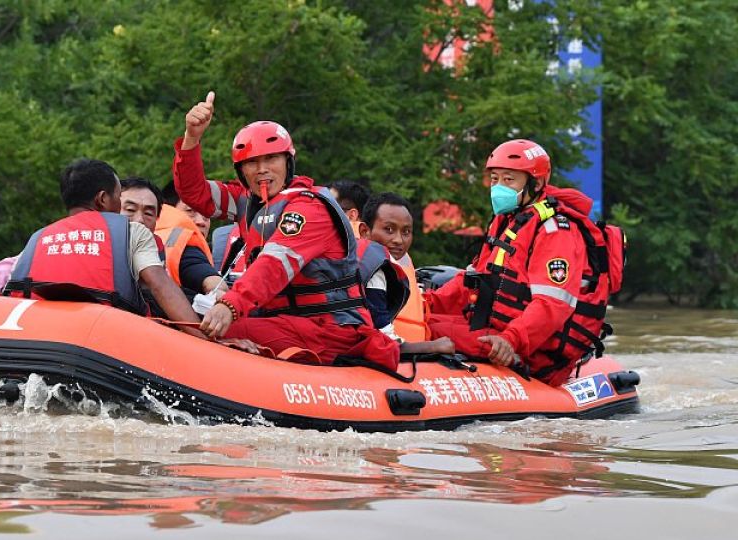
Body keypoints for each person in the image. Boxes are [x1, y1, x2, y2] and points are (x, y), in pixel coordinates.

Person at [174, 91, 399, 369]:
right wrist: (192, 138)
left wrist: (230, 305)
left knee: (207, 330)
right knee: (186, 312)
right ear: (241, 170)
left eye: (271, 159)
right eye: (252, 163)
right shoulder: (247, 202)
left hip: (328, 331)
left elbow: (273, 266)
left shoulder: (309, 208)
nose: (262, 170)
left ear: (288, 161)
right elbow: (193, 192)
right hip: (283, 323)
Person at [424, 139, 611, 386]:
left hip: (531, 348)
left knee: (426, 332)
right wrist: (425, 303)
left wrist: (511, 340)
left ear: (537, 182)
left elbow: (551, 306)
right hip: (495, 330)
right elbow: (473, 280)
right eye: (494, 179)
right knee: (421, 321)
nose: (498, 187)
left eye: (509, 180)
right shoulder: (507, 222)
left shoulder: (555, 232)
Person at [2, 159, 206, 339]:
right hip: (105, 337)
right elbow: (160, 286)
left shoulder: (38, 237)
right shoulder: (133, 232)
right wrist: (201, 338)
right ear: (102, 199)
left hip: (34, 332)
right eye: (119, 197)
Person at [357, 192, 453, 354]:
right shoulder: (373, 271)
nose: (398, 240)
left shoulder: (352, 257)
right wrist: (434, 346)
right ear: (365, 231)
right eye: (389, 229)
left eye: (406, 232)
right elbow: (386, 343)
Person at [120, 177, 225, 299]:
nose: (201, 221)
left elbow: (207, 278)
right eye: (190, 211)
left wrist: (221, 297)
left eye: (207, 215)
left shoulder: (184, 247)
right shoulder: (97, 242)